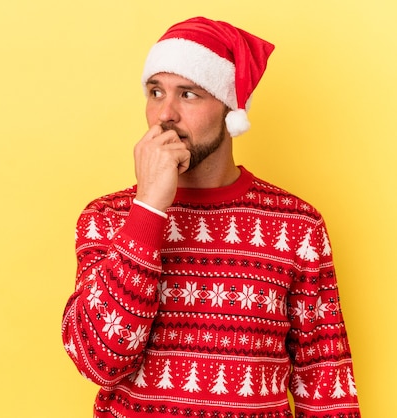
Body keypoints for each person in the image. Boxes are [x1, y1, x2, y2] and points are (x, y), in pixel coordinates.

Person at [61, 16, 361, 418]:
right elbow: (98, 361)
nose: (165, 114)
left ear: (229, 108)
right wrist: (148, 207)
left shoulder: (297, 226)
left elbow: (326, 382)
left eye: (188, 94)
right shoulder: (107, 218)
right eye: (155, 92)